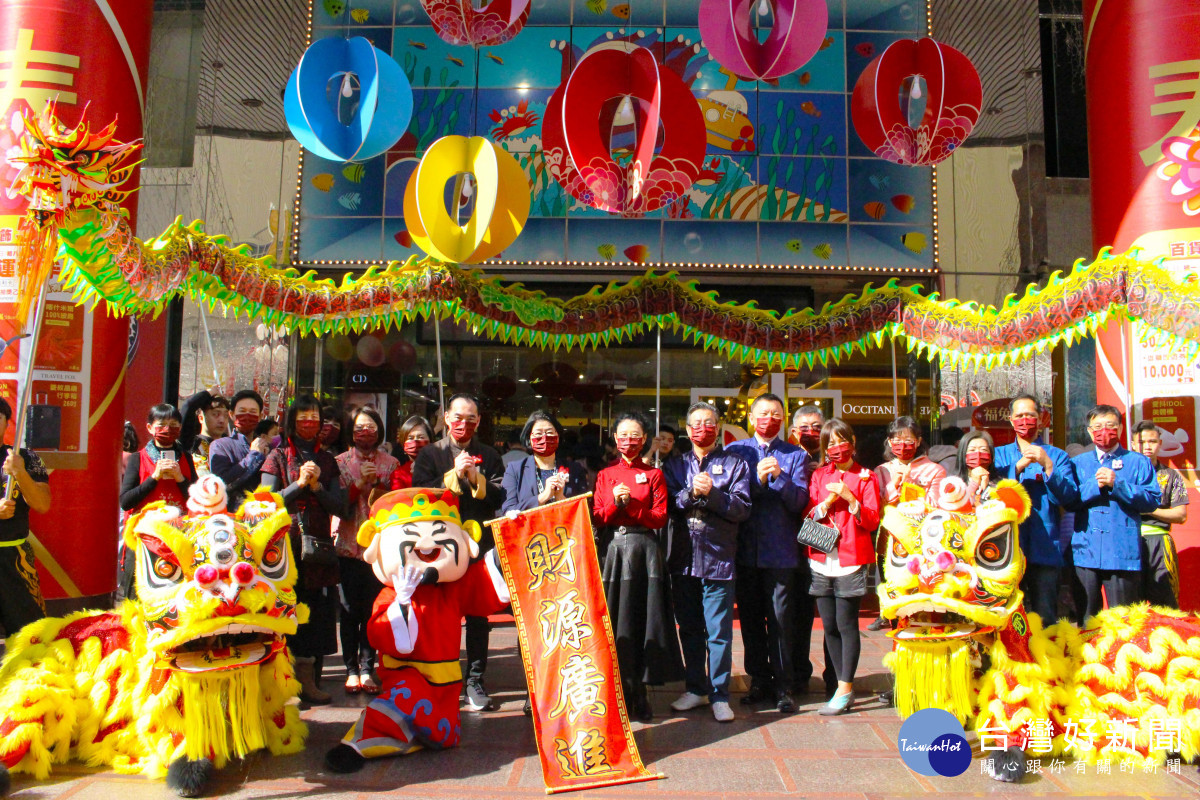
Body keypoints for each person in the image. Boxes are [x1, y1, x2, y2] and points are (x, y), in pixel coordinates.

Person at [412, 393, 506, 711]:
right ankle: (442, 676)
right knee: (442, 615)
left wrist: (476, 477)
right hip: (440, 548)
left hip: (479, 546)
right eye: (457, 417)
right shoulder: (430, 454)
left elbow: (499, 495)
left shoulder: (490, 455)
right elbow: (421, 495)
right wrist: (453, 474)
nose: (462, 424)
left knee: (479, 617)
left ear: (478, 422)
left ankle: (475, 680)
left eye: (470, 418)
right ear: (446, 418)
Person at [591, 412, 683, 722]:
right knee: (617, 621)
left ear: (644, 440)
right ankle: (617, 691)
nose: (629, 440)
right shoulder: (605, 475)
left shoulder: (655, 474)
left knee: (644, 619)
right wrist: (616, 504)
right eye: (623, 435)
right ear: (615, 439)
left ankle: (640, 692)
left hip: (646, 550)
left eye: (635, 435)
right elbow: (599, 516)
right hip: (615, 552)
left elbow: (659, 518)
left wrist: (631, 504)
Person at [663, 402, 751, 723]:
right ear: (687, 430)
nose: (703, 429)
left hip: (719, 559)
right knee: (689, 628)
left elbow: (742, 508)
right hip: (683, 560)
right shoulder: (674, 465)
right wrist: (690, 493)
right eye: (696, 424)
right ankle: (695, 688)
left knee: (719, 632)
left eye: (709, 423)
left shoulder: (735, 464)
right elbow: (668, 503)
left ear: (718, 427)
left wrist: (713, 494)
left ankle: (719, 694)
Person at [260, 394, 347, 705]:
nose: (309, 423)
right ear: (292, 421)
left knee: (316, 615)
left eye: (314, 418)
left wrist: (318, 487)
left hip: (319, 551)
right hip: (284, 550)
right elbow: (264, 503)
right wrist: (298, 484)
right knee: (284, 611)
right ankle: (281, 683)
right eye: (303, 417)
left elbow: (341, 506)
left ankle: (310, 681)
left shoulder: (328, 460)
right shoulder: (277, 456)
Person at [727, 394, 810, 714]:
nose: (769, 419)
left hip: (781, 552)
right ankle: (758, 679)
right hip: (745, 550)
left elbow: (799, 501)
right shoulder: (737, 451)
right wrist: (756, 479)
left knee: (780, 621)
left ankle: (784, 685)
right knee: (749, 619)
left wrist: (779, 477)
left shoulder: (794, 455)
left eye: (776, 414)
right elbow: (733, 495)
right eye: (763, 413)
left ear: (783, 418)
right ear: (750, 416)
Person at [805, 419, 880, 716]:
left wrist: (850, 499)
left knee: (847, 624)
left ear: (852, 441)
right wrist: (824, 503)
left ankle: (845, 687)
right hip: (821, 555)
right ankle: (839, 686)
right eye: (830, 443)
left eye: (841, 441)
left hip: (850, 557)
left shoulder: (866, 476)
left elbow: (873, 519)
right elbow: (809, 509)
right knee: (829, 625)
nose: (837, 447)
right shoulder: (820, 475)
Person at [993, 394, 1080, 625]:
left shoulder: (1058, 455)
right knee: (1008, 614)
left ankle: (1048, 658)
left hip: (1045, 545)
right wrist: (1016, 468)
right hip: (1007, 546)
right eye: (1019, 416)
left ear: (1041, 419)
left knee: (1046, 614)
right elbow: (991, 495)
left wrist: (1048, 465)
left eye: (1030, 415)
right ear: (1011, 421)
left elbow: (1069, 497)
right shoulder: (999, 455)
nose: (1025, 420)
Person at [1070, 405, 1160, 622]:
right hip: (1086, 550)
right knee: (1087, 621)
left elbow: (1152, 500)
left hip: (1123, 552)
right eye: (1098, 427)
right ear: (1090, 431)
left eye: (1110, 426)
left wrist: (1117, 484)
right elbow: (1069, 500)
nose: (1104, 431)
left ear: (1120, 428)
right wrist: (1094, 485)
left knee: (1124, 623)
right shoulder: (1078, 463)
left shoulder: (1138, 462)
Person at [334, 406, 399, 696]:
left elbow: (396, 506)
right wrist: (358, 483)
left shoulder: (391, 463)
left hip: (379, 550)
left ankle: (367, 667)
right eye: (359, 427)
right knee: (349, 611)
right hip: (348, 546)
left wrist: (379, 484)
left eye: (371, 426)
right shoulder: (339, 462)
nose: (365, 432)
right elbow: (337, 504)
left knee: (373, 611)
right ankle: (350, 670)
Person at [868, 416, 946, 632]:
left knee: (916, 596)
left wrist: (911, 485)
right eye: (897, 440)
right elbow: (878, 505)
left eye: (909, 440)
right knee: (889, 587)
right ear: (889, 442)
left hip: (919, 543)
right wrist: (894, 485)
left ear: (919, 441)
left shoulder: (934, 470)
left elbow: (935, 506)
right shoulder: (881, 471)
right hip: (889, 540)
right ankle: (889, 621)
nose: (903, 446)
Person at [119, 404, 197, 600]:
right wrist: (153, 477)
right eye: (161, 424)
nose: (167, 429)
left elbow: (198, 499)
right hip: (144, 539)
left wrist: (180, 479)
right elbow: (125, 501)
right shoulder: (138, 459)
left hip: (179, 539)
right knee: (137, 596)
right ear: (149, 428)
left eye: (173, 424)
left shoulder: (186, 458)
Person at [787, 404, 836, 697]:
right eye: (804, 428)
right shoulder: (790, 459)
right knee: (797, 614)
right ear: (794, 432)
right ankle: (797, 673)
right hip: (795, 546)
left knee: (831, 616)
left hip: (830, 545)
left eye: (817, 427)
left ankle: (835, 678)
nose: (811, 433)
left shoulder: (836, 460)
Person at [0, 396, 50, 638]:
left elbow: (42, 504)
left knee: (29, 635)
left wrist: (19, 472)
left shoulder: (26, 458)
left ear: (7, 423)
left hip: (15, 558)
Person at [1133, 421, 1188, 608]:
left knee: (1166, 602)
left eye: (1152, 441)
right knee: (1130, 604)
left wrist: (1150, 509)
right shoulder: (1122, 474)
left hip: (1159, 540)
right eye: (1142, 442)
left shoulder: (1171, 475)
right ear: (1133, 444)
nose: (1147, 446)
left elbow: (1180, 515)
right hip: (1128, 540)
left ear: (1160, 444)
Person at [501, 411, 589, 512]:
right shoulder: (515, 469)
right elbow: (508, 510)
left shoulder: (575, 469)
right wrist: (543, 497)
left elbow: (584, 511)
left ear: (558, 436)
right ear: (529, 437)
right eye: (538, 433)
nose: (544, 437)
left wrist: (560, 498)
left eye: (550, 432)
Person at [209, 390, 272, 509]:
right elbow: (222, 484)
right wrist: (254, 455)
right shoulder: (220, 446)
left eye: (252, 412)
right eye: (242, 411)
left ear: (260, 417)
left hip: (264, 514)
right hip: (233, 516)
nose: (247, 416)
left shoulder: (267, 446)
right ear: (232, 415)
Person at [957, 430, 1002, 506]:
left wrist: (986, 489)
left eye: (983, 450)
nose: (978, 454)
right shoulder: (954, 484)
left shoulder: (1001, 485)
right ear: (963, 454)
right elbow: (956, 506)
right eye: (972, 450)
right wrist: (974, 483)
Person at [189, 393, 229, 476]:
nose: (222, 420)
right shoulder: (192, 444)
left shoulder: (230, 445)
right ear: (201, 418)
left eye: (225, 415)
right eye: (215, 414)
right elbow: (187, 407)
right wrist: (207, 393)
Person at [390, 416, 434, 490]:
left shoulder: (440, 468)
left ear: (430, 441)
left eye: (421, 437)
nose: (415, 442)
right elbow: (399, 499)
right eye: (410, 438)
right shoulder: (398, 474)